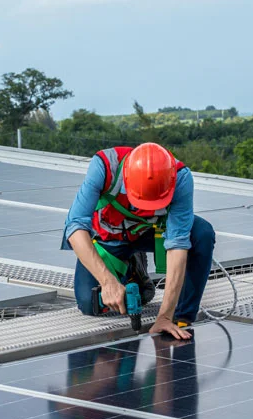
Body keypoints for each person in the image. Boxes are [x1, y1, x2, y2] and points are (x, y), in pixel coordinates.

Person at [62, 143, 216, 339]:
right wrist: (108, 282)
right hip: (111, 236)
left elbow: (177, 243)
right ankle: (133, 270)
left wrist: (165, 316)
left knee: (202, 233)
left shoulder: (180, 177)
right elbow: (75, 228)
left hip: (150, 233)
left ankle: (182, 314)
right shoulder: (104, 166)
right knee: (89, 303)